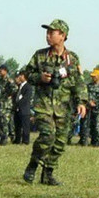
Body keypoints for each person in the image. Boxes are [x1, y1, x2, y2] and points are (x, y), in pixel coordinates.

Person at [21, 19, 87, 186]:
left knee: (60, 142)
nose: (48, 35)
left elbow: (79, 82)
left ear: (62, 36)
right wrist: (40, 78)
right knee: (47, 136)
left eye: (52, 32)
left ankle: (48, 173)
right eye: (47, 32)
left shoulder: (72, 59)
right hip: (44, 104)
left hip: (64, 107)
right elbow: (27, 74)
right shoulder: (40, 55)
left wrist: (82, 102)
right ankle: (33, 165)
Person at [13, 70, 33, 144]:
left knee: (25, 126)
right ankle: (17, 140)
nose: (19, 77)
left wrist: (18, 103)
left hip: (24, 109)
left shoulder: (28, 87)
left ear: (24, 77)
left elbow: (26, 98)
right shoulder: (19, 86)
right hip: (17, 109)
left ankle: (25, 140)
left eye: (21, 76)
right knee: (17, 126)